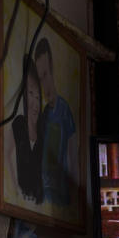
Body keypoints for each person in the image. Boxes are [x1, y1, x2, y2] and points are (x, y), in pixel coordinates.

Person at [35, 37, 78, 207]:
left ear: (52, 70)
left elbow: (73, 156)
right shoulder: (44, 114)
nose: (43, 84)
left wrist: (75, 196)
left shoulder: (65, 110)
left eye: (45, 75)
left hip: (60, 192)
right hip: (45, 191)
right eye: (39, 78)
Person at [6, 56, 43, 203]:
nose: (35, 102)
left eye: (38, 96)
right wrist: (16, 190)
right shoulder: (19, 124)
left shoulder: (43, 132)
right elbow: (5, 154)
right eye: (30, 93)